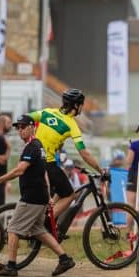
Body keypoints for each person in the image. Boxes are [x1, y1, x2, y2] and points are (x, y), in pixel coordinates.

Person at [0, 114, 76, 277]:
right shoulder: (38, 146)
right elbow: (43, 173)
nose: (20, 130)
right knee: (38, 230)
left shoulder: (32, 147)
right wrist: (48, 195)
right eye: (18, 127)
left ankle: (11, 266)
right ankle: (65, 259)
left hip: (31, 197)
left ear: (32, 127)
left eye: (23, 127)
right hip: (39, 195)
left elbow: (20, 170)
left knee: (13, 229)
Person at [29, 88, 108, 223]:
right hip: (47, 163)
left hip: (32, 161)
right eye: (81, 105)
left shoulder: (47, 112)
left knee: (62, 188)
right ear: (76, 106)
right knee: (70, 195)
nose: (82, 108)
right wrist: (100, 170)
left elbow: (26, 118)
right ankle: (46, 223)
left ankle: (47, 213)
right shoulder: (72, 125)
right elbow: (84, 153)